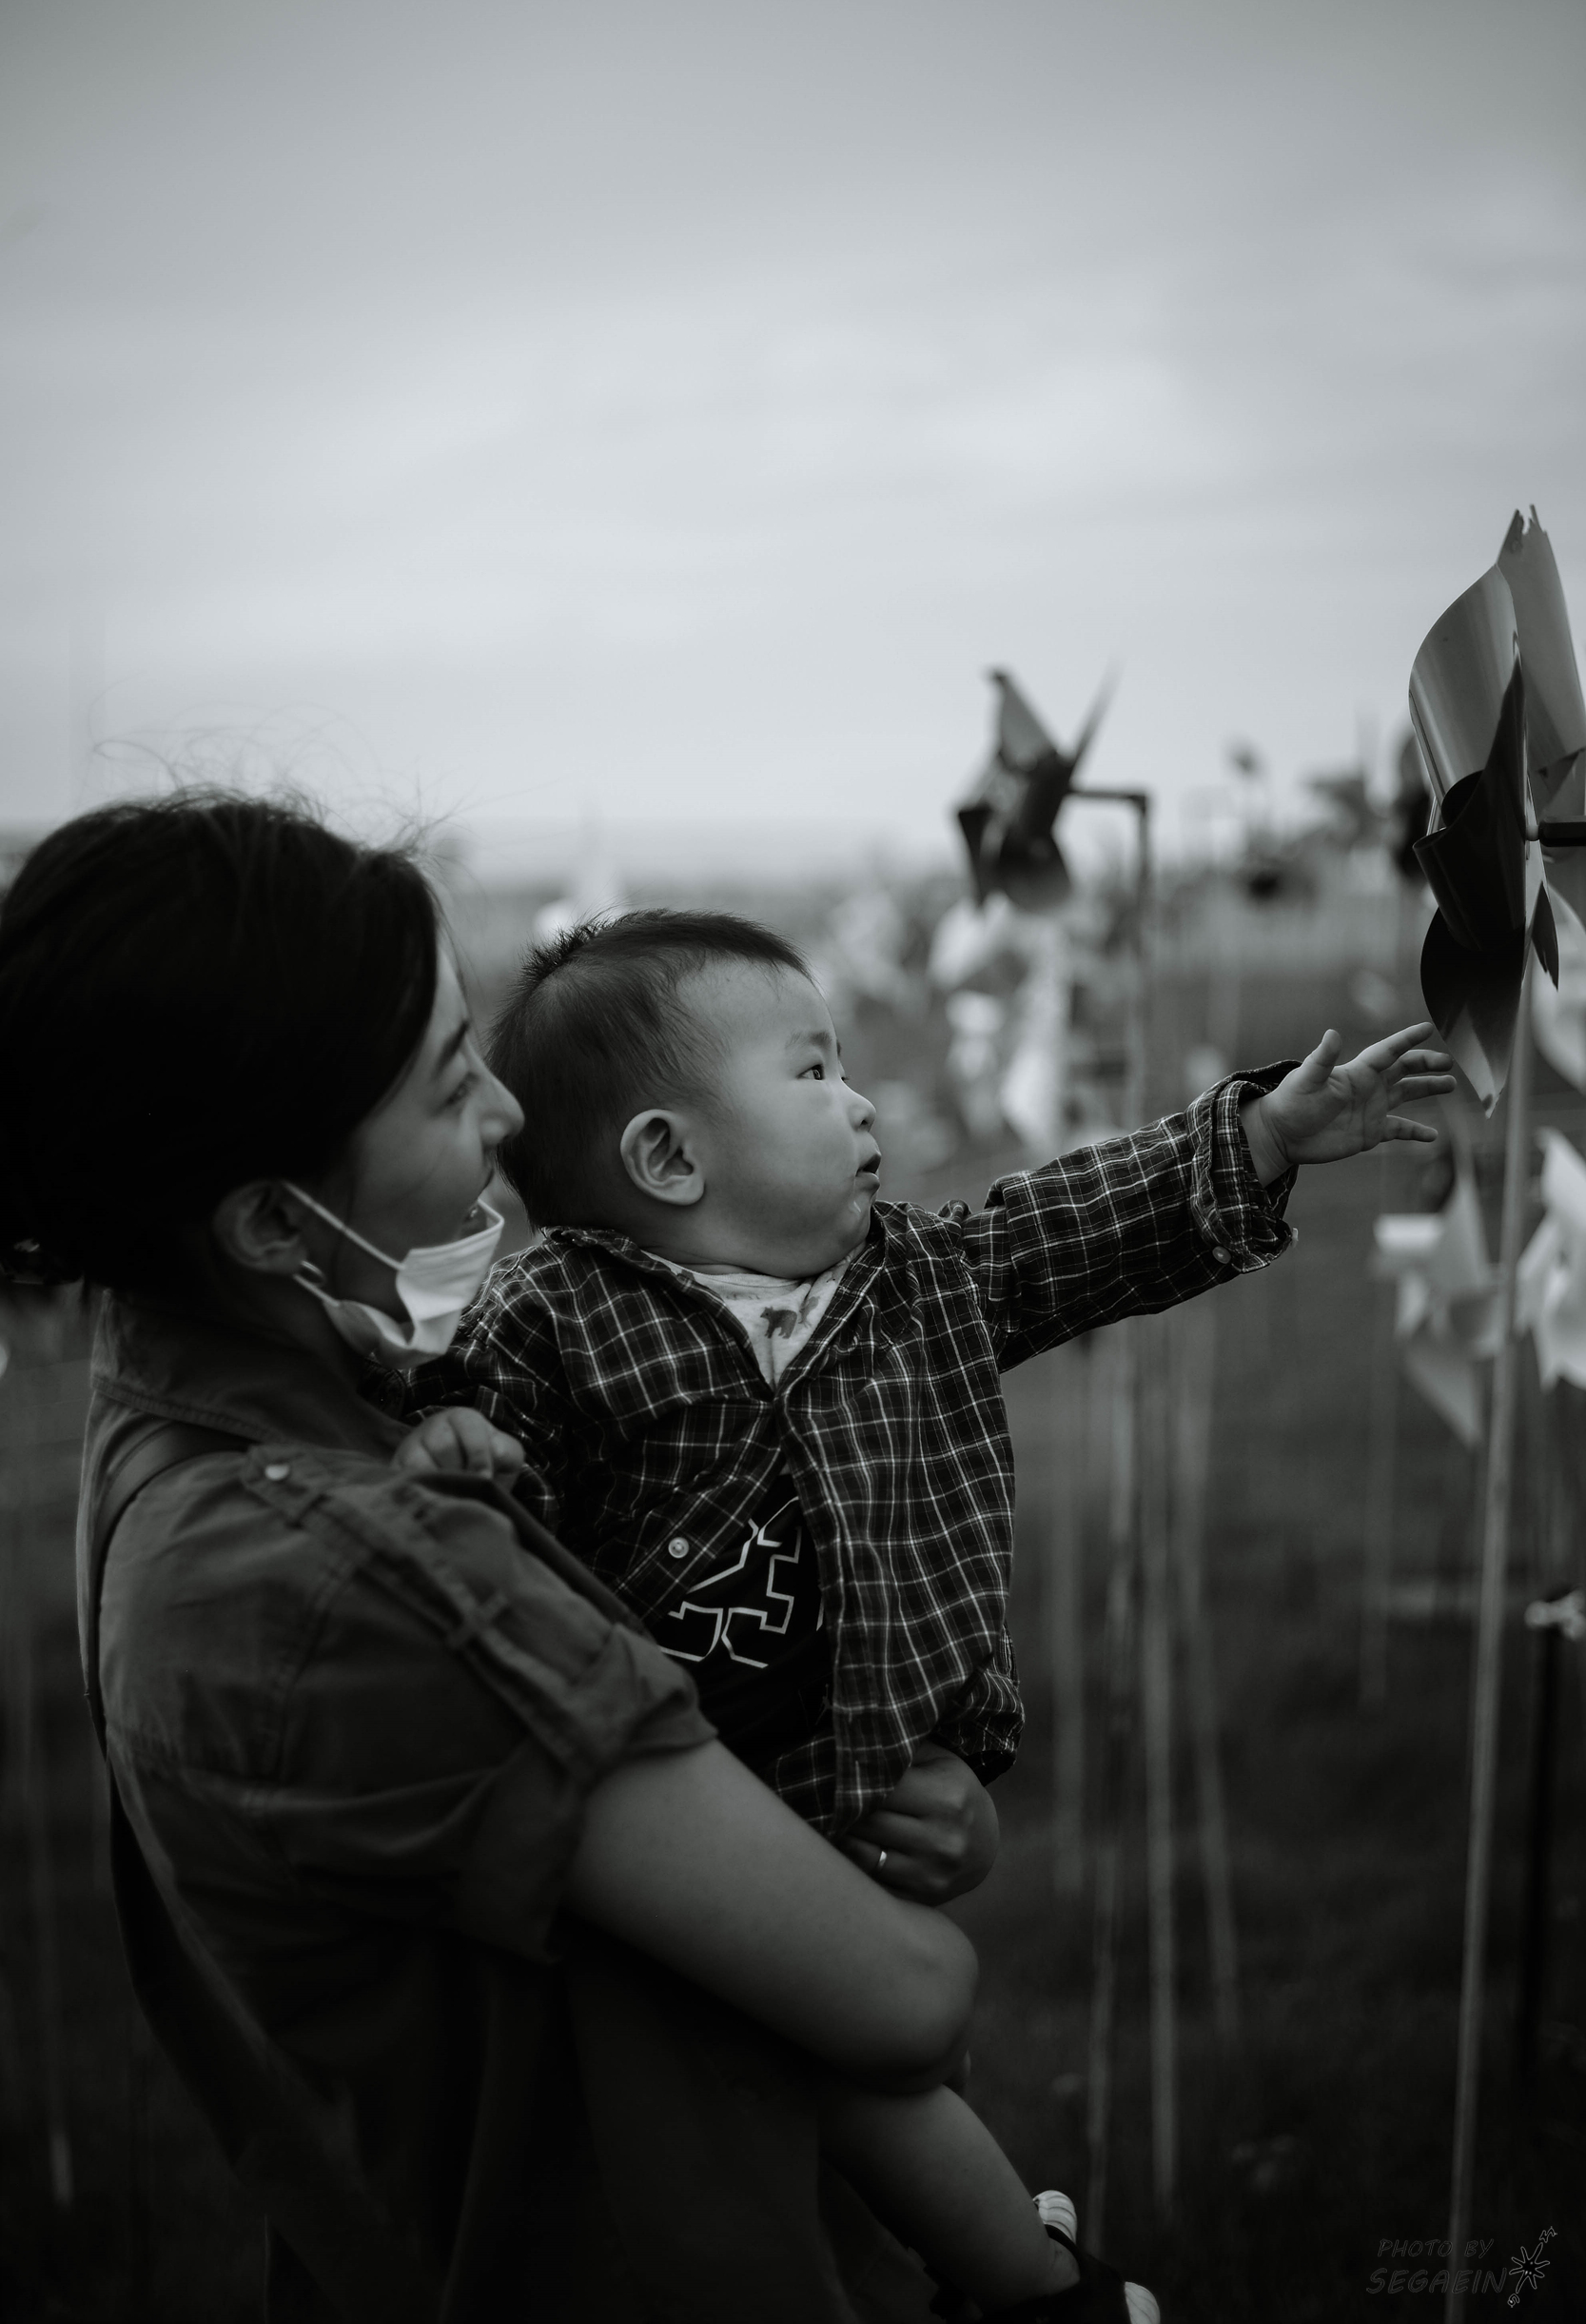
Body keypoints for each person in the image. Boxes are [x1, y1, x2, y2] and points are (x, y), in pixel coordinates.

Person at [0, 792, 1145, 2324]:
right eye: (445, 1081)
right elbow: (902, 1997)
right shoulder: (360, 1576)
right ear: (272, 1221)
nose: (504, 1113)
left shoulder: (181, 1402)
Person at [416, 910, 1453, 1863]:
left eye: (843, 1065)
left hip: (877, 1802)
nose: (859, 1099)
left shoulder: (910, 1282)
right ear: (668, 1157)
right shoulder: (547, 1317)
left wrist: (1261, 1138)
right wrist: (441, 1441)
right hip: (647, 1812)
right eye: (812, 1072)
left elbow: (1065, 1232)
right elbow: (460, 1510)